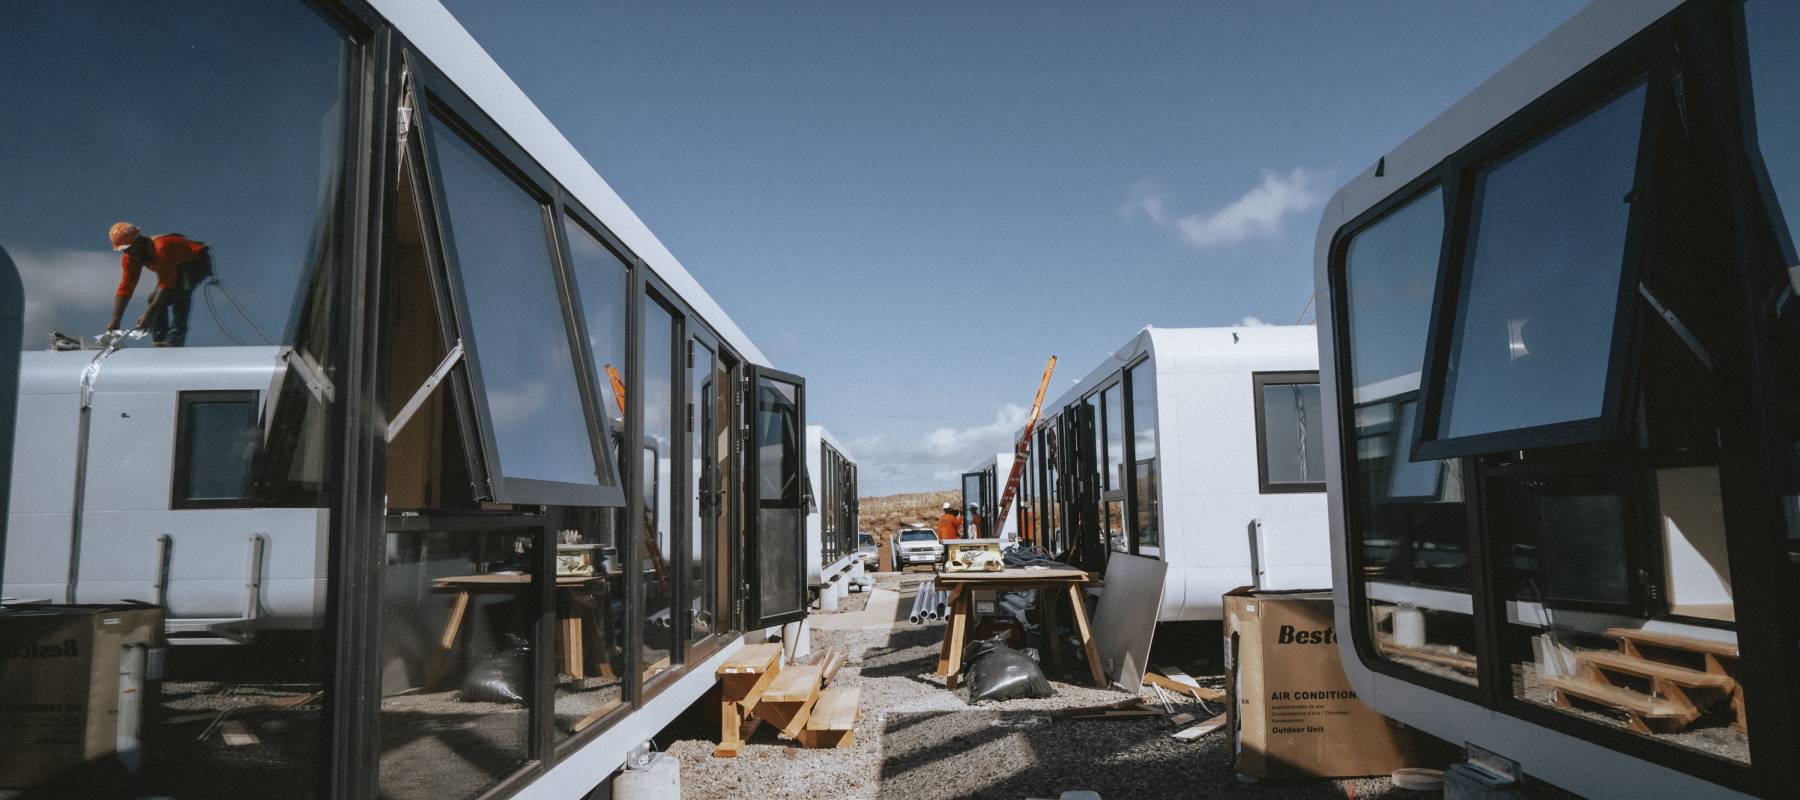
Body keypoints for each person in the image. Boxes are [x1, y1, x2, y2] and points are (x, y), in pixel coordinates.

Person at [107, 222, 211, 347]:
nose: (129, 251)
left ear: (139, 240)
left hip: (195, 262)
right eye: (124, 249)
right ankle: (160, 338)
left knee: (180, 295)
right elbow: (126, 287)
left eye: (130, 247)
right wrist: (115, 320)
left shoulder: (161, 247)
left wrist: (149, 315)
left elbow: (167, 285)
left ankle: (175, 337)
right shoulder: (130, 257)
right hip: (174, 267)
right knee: (154, 300)